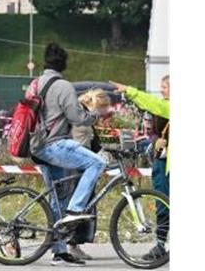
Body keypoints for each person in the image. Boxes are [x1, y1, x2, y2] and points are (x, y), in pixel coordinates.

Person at [30, 42, 106, 267]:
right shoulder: (63, 86)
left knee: (58, 197)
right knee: (97, 163)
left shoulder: (35, 83)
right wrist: (93, 116)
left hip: (36, 146)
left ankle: (60, 252)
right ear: (64, 63)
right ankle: (76, 208)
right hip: (55, 144)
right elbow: (76, 117)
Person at [112, 75, 169, 263]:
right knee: (163, 205)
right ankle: (161, 244)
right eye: (162, 86)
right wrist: (155, 141)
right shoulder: (160, 107)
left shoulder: (166, 106)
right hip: (162, 162)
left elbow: (151, 102)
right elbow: (151, 132)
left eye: (166, 87)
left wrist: (129, 90)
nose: (162, 90)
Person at [63, 88, 113, 261]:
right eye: (103, 108)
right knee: (77, 205)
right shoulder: (80, 113)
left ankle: (73, 244)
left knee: (85, 204)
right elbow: (79, 141)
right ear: (96, 104)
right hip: (77, 164)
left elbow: (93, 141)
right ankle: (70, 244)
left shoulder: (87, 115)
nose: (103, 113)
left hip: (84, 162)